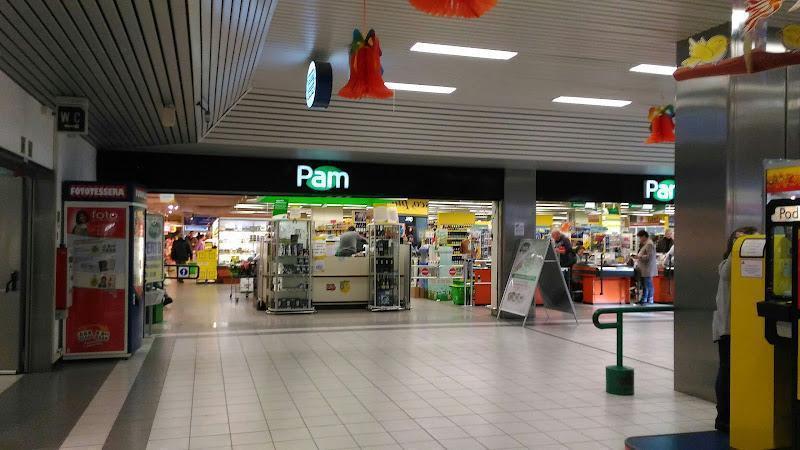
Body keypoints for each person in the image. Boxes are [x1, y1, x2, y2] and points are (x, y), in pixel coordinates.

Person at [713, 226, 758, 432]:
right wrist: (738, 247)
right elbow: (726, 273)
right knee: (727, 370)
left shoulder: (752, 266)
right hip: (728, 329)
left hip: (746, 327)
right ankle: (723, 417)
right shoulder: (728, 265)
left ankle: (739, 413)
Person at [632, 230, 657, 304]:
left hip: (647, 269)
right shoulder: (646, 244)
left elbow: (649, 257)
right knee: (645, 285)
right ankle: (644, 299)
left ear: (644, 236)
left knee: (648, 284)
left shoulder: (649, 244)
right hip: (644, 269)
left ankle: (650, 299)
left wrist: (639, 257)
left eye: (640, 237)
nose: (640, 239)